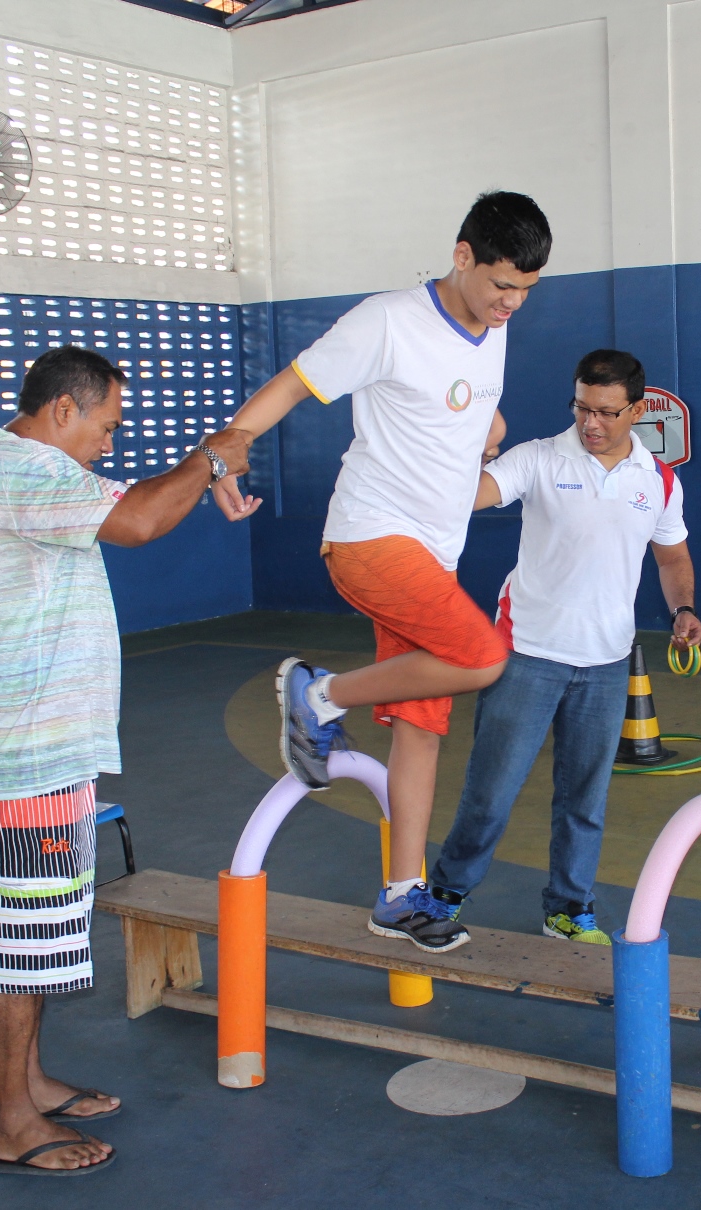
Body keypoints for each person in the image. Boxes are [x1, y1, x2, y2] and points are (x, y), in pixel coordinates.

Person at [0, 346, 260, 1175]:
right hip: (23, 760)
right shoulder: (24, 475)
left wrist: (202, 473)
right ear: (61, 412)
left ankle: (31, 1085)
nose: (110, 446)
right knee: (14, 941)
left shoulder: (21, 471)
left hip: (37, 752)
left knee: (33, 932)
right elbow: (144, 520)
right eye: (107, 428)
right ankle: (9, 1120)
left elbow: (143, 504)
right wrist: (214, 456)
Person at [208, 192, 551, 955]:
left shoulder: (489, 325)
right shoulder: (387, 320)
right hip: (371, 539)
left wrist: (485, 429)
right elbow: (295, 382)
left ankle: (400, 895)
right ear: (462, 255)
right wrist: (226, 445)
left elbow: (462, 404)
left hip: (432, 554)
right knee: (482, 657)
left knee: (424, 727)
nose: (512, 303)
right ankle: (318, 694)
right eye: (501, 284)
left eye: (527, 289)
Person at [428, 349, 701, 943]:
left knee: (585, 800)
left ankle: (569, 909)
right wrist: (468, 450)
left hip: (607, 663)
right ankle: (444, 895)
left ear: (638, 409)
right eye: (581, 408)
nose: (591, 423)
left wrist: (683, 608)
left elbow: (672, 555)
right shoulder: (539, 458)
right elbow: (466, 496)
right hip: (527, 652)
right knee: (491, 791)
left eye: (606, 411)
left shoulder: (658, 479)